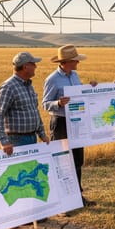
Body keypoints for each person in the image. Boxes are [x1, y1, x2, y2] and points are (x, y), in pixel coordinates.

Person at [43, 44, 96, 207]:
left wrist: (91, 88)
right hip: (60, 123)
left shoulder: (75, 76)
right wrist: (58, 103)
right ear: (66, 62)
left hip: (76, 122)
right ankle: (61, 201)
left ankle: (77, 197)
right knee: (61, 161)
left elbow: (80, 96)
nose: (77, 63)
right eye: (75, 61)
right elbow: (45, 104)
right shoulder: (52, 79)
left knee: (77, 160)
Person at [0, 51, 50, 156]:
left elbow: (34, 111)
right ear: (25, 67)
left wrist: (42, 134)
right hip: (17, 140)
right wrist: (4, 141)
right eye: (33, 64)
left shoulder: (28, 85)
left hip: (32, 137)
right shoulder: (8, 87)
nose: (36, 66)